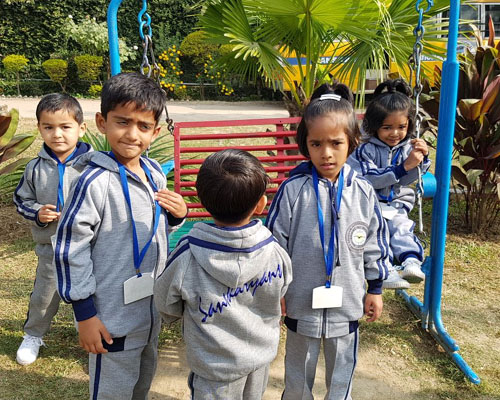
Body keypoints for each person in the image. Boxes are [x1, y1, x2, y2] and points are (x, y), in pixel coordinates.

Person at [53, 72, 187, 399]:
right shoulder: (92, 182)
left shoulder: (154, 173)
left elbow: (152, 231)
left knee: (142, 384)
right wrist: (85, 315)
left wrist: (175, 216)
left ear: (156, 132)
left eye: (143, 126)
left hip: (148, 314)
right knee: (113, 391)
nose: (132, 134)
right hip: (110, 320)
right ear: (102, 122)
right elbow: (69, 249)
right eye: (122, 122)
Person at [266, 83, 390, 400]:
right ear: (305, 145)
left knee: (342, 368)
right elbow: (274, 246)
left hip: (346, 303)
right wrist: (277, 290)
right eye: (316, 143)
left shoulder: (363, 192)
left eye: (336, 143)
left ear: (352, 142)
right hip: (300, 301)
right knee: (298, 370)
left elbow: (374, 243)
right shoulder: (293, 190)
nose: (326, 153)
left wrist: (375, 288)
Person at [154, 149, 293, 400]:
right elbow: (282, 290)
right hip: (259, 361)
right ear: (261, 204)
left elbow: (165, 302)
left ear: (201, 200)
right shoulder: (275, 252)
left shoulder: (187, 254)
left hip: (212, 368)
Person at [13, 93, 92, 366]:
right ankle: (33, 334)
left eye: (65, 126)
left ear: (81, 128)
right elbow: (21, 200)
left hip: (89, 247)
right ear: (39, 128)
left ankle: (90, 334)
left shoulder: (94, 164)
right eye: (48, 127)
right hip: (51, 248)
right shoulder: (34, 168)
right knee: (44, 296)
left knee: (91, 294)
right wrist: (38, 213)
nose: (57, 134)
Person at [347, 79, 431, 290]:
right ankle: (386, 271)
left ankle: (411, 261)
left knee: (402, 228)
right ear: (374, 126)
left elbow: (407, 179)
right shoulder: (364, 149)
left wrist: (422, 160)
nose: (395, 133)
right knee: (379, 234)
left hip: (396, 204)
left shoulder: (407, 147)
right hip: (370, 205)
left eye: (401, 127)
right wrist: (403, 167)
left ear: (409, 125)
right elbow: (369, 177)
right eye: (387, 127)